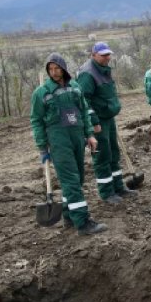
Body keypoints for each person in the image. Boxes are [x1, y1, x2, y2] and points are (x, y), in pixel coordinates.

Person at [30, 53, 107, 235]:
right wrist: (42, 147)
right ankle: (82, 222)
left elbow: (83, 111)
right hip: (58, 141)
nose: (54, 72)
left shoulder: (75, 88)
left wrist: (89, 134)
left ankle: (69, 217)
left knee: (77, 178)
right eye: (51, 69)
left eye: (57, 68)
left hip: (77, 137)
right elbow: (36, 120)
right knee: (71, 181)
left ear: (64, 69)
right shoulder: (42, 93)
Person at [76, 42, 134, 204]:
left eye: (108, 54)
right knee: (102, 155)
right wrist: (93, 121)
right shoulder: (87, 74)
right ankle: (107, 192)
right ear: (93, 55)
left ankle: (118, 187)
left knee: (114, 153)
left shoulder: (103, 69)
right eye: (103, 55)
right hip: (98, 121)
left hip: (108, 118)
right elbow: (83, 101)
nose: (107, 57)